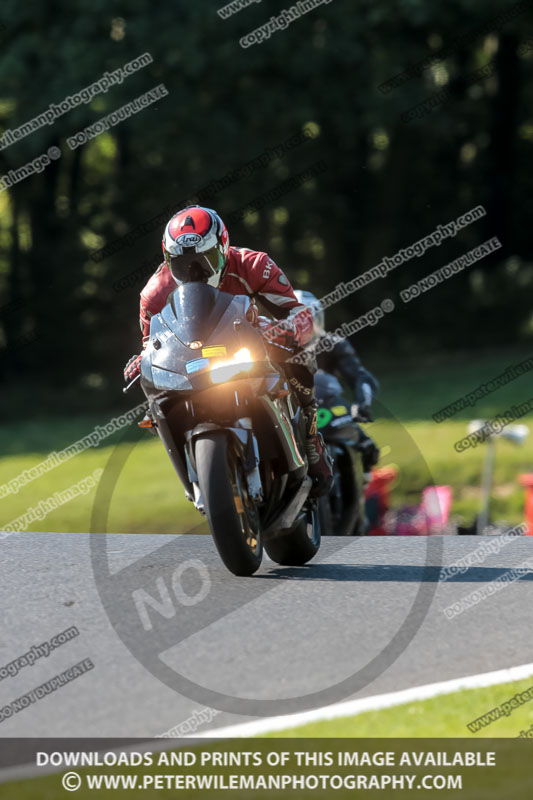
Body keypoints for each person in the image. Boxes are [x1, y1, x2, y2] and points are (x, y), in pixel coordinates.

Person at [123, 205, 333, 496]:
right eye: (182, 263)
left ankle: (311, 439)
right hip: (191, 361)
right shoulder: (154, 293)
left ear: (223, 247)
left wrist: (286, 329)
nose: (195, 271)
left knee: (299, 355)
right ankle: (191, 469)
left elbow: (299, 313)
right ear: (167, 258)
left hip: (245, 343)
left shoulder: (254, 264)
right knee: (154, 392)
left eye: (205, 260)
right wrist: (141, 359)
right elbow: (152, 342)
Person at [294, 290, 380, 481]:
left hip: (327, 412)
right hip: (292, 417)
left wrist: (362, 404)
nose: (302, 327)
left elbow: (361, 377)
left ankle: (361, 486)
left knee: (368, 448)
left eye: (307, 319)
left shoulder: (333, 343)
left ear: (318, 319)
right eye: (295, 320)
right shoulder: (274, 349)